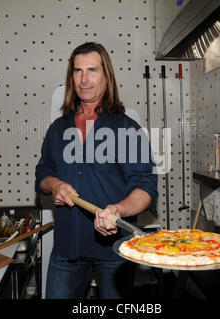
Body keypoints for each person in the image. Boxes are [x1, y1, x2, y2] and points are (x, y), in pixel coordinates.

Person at [35, 42, 158, 299]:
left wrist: (118, 210)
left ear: (106, 75)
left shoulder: (127, 128)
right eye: (78, 71)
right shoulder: (58, 128)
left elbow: (146, 189)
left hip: (115, 249)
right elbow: (43, 172)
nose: (84, 79)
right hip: (67, 247)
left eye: (92, 70)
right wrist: (53, 184)